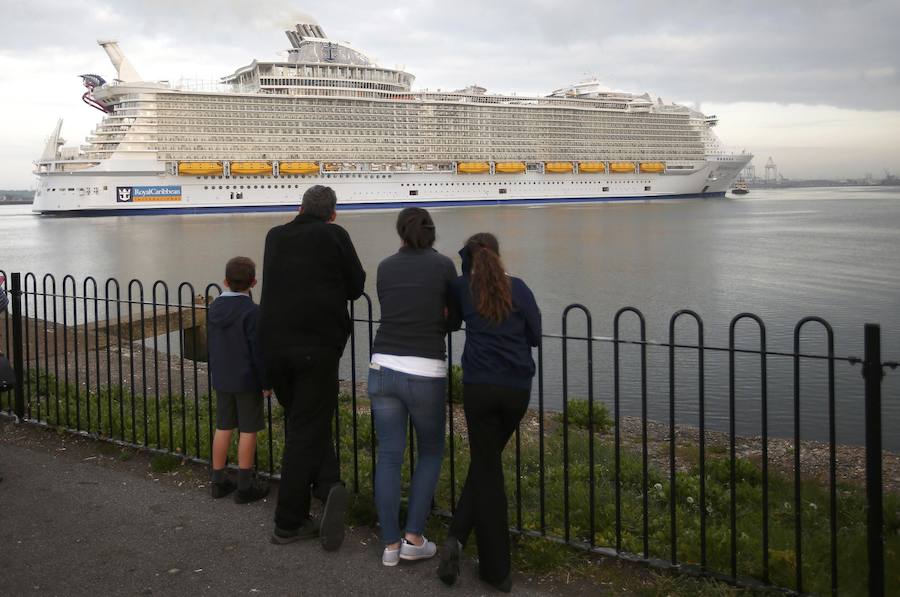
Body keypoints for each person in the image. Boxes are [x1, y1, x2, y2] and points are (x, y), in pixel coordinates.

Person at [260, 185, 365, 551]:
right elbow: (356, 286)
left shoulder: (275, 236)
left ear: (298, 207)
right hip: (316, 348)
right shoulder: (334, 234)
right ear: (333, 213)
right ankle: (288, 522)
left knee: (305, 421)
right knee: (305, 428)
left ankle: (329, 485)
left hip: (274, 348)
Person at [438, 232, 541, 592]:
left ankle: (468, 548)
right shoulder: (520, 288)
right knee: (487, 465)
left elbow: (449, 323)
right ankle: (483, 561)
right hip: (516, 388)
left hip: (479, 386)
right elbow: (536, 335)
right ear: (498, 255)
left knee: (486, 467)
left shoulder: (462, 286)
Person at [369, 207, 459, 567]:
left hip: (382, 366)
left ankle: (390, 545)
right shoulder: (443, 266)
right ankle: (413, 537)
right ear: (432, 233)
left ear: (400, 233)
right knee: (431, 451)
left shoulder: (385, 266)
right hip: (425, 369)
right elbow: (454, 319)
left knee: (389, 455)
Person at [207, 256, 270, 504]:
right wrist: (266, 382)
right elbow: (258, 352)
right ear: (253, 282)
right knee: (248, 429)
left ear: (224, 281)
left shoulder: (215, 308)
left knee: (223, 426)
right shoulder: (252, 312)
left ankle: (218, 480)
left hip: (222, 376)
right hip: (246, 379)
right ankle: (244, 486)